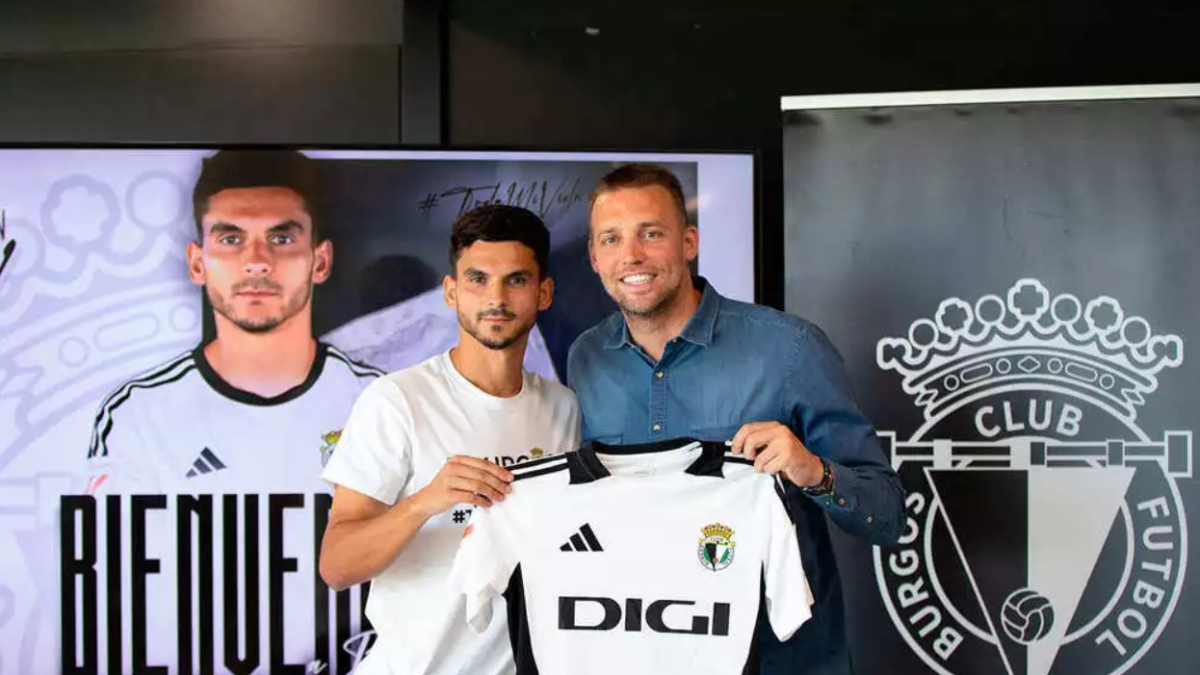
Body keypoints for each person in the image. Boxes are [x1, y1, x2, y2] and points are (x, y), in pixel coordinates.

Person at [566, 163, 905, 675]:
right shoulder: (586, 358)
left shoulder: (790, 350)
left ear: (689, 241)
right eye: (611, 239)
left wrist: (814, 471)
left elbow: (888, 516)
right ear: (594, 256)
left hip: (780, 660)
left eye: (650, 234)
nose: (630, 255)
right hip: (641, 655)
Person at [319, 204, 580, 675]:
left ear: (543, 293)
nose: (495, 298)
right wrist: (426, 501)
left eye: (516, 280)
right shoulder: (397, 400)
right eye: (478, 280)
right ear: (451, 292)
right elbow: (337, 565)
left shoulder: (565, 408)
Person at [87, 148, 382, 495]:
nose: (256, 261)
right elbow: (114, 546)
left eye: (281, 238)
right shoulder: (138, 413)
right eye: (231, 239)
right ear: (198, 264)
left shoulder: (379, 403)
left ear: (320, 261)